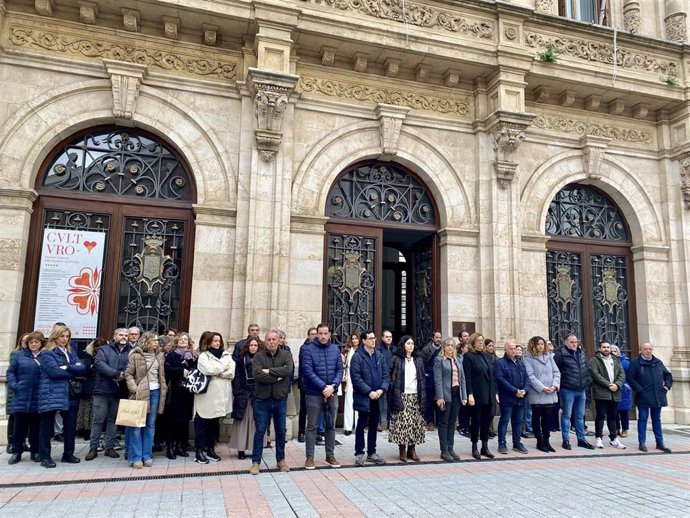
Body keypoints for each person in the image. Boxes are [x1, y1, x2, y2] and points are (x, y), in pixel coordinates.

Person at [37, 324, 86, 467]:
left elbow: (82, 368)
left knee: (70, 426)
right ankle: (45, 457)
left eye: (67, 336)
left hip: (70, 393)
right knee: (46, 427)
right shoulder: (47, 353)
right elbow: (54, 372)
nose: (64, 339)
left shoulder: (71, 352)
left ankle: (68, 454)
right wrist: (73, 371)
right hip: (52, 392)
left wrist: (68, 367)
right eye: (61, 336)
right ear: (55, 337)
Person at [85, 328, 133, 461]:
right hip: (102, 389)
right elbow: (100, 364)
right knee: (98, 419)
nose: (124, 337)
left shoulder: (131, 351)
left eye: (126, 335)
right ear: (114, 336)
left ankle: (109, 447)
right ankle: (93, 448)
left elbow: (131, 366)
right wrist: (116, 374)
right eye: (121, 335)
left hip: (118, 391)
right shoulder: (104, 349)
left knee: (113, 420)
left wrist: (123, 375)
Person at [250, 330, 293, 475]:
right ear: (265, 341)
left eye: (274, 339)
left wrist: (268, 371)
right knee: (260, 431)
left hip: (280, 399)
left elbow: (287, 370)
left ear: (279, 340)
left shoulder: (286, 355)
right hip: (262, 399)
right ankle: (256, 462)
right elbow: (257, 375)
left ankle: (280, 460)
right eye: (269, 339)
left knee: (281, 431)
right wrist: (276, 377)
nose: (272, 342)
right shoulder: (258, 356)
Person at [301, 323, 343, 469]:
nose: (323, 336)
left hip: (332, 392)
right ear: (316, 334)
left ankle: (330, 455)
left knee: (330, 425)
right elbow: (307, 370)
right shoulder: (308, 350)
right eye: (320, 333)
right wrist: (323, 386)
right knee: (312, 426)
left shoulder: (335, 349)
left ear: (330, 334)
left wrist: (333, 386)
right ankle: (310, 457)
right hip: (314, 393)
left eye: (326, 333)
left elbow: (340, 369)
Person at [125, 331, 167, 468]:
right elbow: (129, 374)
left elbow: (161, 375)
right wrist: (134, 389)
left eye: (157, 340)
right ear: (146, 341)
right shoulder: (135, 355)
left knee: (150, 425)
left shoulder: (159, 356)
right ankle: (135, 457)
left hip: (155, 391)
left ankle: (146, 455)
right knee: (137, 425)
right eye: (154, 340)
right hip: (140, 393)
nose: (156, 342)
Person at [194, 332, 235, 463]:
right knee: (202, 423)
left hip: (221, 395)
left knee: (214, 424)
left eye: (219, 340)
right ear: (209, 342)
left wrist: (222, 372)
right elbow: (207, 370)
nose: (217, 343)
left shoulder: (226, 354)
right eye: (215, 341)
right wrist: (222, 367)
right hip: (207, 395)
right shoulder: (204, 356)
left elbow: (232, 371)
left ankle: (211, 449)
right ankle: (199, 451)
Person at [350, 331, 389, 466]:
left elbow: (386, 375)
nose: (373, 340)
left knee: (374, 425)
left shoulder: (379, 355)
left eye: (374, 338)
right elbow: (356, 379)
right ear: (364, 341)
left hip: (378, 397)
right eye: (370, 338)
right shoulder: (357, 357)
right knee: (361, 425)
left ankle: (371, 452)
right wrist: (369, 392)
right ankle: (359, 453)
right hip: (364, 397)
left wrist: (381, 389)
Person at [628, 342, 673, 453]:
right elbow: (630, 377)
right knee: (643, 419)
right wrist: (639, 389)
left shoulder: (657, 362)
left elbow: (668, 375)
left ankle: (660, 443)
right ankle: (642, 443)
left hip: (658, 396)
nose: (648, 351)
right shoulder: (635, 362)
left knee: (656, 419)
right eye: (645, 349)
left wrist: (667, 386)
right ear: (640, 350)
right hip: (643, 396)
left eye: (650, 349)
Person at [7, 331, 44, 464]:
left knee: (35, 427)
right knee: (19, 427)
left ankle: (35, 451)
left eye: (36, 342)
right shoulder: (19, 355)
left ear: (41, 343)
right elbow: (11, 372)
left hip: (37, 397)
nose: (33, 344)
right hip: (22, 396)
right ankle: (16, 451)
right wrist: (14, 386)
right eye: (31, 342)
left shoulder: (44, 357)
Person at [388, 336, 426, 462]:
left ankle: (412, 449)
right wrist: (392, 387)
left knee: (414, 423)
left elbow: (421, 378)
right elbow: (388, 374)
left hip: (415, 395)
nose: (411, 345)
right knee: (402, 424)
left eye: (412, 343)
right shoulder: (397, 359)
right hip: (402, 395)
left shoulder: (418, 360)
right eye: (408, 343)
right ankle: (402, 450)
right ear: (403, 345)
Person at [554, 333, 594, 450]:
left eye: (576, 342)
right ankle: (565, 440)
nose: (574, 344)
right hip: (567, 389)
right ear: (566, 342)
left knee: (580, 416)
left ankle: (581, 439)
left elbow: (587, 369)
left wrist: (587, 383)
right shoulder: (560, 354)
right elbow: (556, 371)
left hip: (581, 390)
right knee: (566, 415)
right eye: (572, 342)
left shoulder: (581, 353)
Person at [163, 332, 197, 459]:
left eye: (185, 339)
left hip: (188, 392)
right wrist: (181, 371)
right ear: (176, 341)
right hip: (175, 391)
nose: (183, 341)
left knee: (184, 421)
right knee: (173, 421)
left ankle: (180, 446)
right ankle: (170, 447)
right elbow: (167, 370)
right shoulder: (172, 355)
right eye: (181, 339)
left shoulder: (193, 356)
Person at [463, 332, 497, 460]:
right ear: (472, 342)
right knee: (476, 421)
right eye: (478, 341)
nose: (481, 343)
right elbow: (467, 377)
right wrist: (469, 394)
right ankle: (474, 447)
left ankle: (485, 446)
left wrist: (495, 393)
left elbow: (492, 376)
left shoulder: (486, 356)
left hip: (488, 394)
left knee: (486, 421)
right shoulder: (469, 356)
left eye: (482, 341)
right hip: (476, 394)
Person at [524, 335, 560, 452]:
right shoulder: (529, 358)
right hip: (538, 393)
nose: (540, 346)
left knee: (547, 418)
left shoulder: (549, 357)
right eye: (538, 344)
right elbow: (530, 376)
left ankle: (547, 440)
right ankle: (539, 441)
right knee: (537, 417)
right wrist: (543, 388)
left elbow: (556, 372)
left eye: (542, 344)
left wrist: (554, 386)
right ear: (533, 345)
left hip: (550, 392)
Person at [434, 337, 467, 462]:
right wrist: (440, 396)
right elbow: (438, 380)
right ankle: (444, 450)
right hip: (445, 395)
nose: (450, 347)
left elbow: (462, 379)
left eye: (452, 346)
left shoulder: (458, 360)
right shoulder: (439, 360)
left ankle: (451, 448)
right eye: (447, 345)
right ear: (444, 347)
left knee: (453, 422)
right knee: (444, 422)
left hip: (456, 394)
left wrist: (463, 396)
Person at [230, 337, 263, 459]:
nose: (253, 347)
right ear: (247, 346)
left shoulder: (262, 359)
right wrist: (238, 391)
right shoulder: (241, 359)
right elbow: (237, 375)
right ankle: (241, 449)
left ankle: (256, 448)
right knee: (242, 422)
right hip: (243, 394)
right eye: (251, 345)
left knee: (257, 422)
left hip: (258, 394)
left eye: (255, 345)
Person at [589, 341, 626, 450]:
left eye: (608, 347)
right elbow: (596, 375)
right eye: (604, 347)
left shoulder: (616, 360)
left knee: (613, 417)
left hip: (615, 392)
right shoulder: (594, 360)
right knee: (600, 415)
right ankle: (598, 438)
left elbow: (622, 374)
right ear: (600, 348)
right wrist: (609, 385)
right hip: (601, 393)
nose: (606, 349)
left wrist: (617, 385)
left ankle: (614, 439)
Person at [494, 341, 529, 455]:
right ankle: (502, 443)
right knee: (504, 421)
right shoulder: (500, 363)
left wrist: (525, 390)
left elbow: (527, 378)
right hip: (507, 398)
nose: (513, 350)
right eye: (511, 348)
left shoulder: (520, 363)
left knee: (518, 421)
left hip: (520, 398)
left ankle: (517, 442)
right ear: (505, 350)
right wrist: (515, 391)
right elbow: (500, 379)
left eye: (515, 348)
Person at [76, 338, 108, 441]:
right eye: (97, 348)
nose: (99, 350)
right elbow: (86, 369)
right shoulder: (89, 356)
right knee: (87, 409)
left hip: (101, 386)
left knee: (96, 411)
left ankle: (95, 432)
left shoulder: (107, 356)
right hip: (90, 386)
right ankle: (86, 431)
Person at [6, 333, 29, 454]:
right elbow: (12, 372)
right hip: (16, 391)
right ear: (20, 342)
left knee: (24, 418)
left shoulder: (32, 356)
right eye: (24, 340)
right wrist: (15, 386)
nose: (26, 342)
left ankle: (22, 442)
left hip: (26, 392)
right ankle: (11, 443)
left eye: (28, 340)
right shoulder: (15, 354)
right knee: (14, 417)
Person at [297, 326, 317, 443]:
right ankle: (301, 432)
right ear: (308, 336)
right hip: (306, 383)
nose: (314, 336)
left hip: (315, 384)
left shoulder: (318, 347)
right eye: (312, 334)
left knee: (314, 409)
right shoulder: (304, 348)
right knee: (304, 409)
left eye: (316, 334)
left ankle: (314, 432)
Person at [420, 330, 443, 430]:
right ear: (433, 338)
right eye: (436, 337)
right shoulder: (426, 349)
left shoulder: (443, 349)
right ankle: (429, 421)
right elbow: (422, 363)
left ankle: (439, 421)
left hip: (440, 378)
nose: (438, 339)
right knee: (429, 400)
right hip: (429, 377)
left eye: (440, 337)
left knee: (440, 398)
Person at [376, 330, 396, 429]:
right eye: (387, 337)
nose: (389, 338)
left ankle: (390, 422)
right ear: (382, 338)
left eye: (390, 337)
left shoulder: (395, 350)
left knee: (391, 402)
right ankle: (378, 422)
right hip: (381, 379)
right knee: (380, 402)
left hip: (392, 379)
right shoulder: (378, 349)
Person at [610, 345, 631, 438]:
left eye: (614, 351)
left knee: (624, 411)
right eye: (611, 351)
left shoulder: (625, 363)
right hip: (612, 389)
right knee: (614, 411)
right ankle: (616, 428)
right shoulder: (608, 362)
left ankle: (625, 429)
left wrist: (626, 385)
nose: (612, 353)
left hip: (623, 390)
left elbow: (630, 376)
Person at [342, 332, 360, 436]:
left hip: (359, 378)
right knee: (348, 401)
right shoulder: (347, 350)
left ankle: (359, 426)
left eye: (356, 338)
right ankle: (348, 427)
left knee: (359, 401)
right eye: (352, 339)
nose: (354, 340)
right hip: (349, 378)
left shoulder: (362, 351)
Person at [456, 330, 471, 437]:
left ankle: (467, 426)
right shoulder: (458, 358)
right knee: (463, 407)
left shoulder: (470, 356)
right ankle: (462, 426)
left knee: (468, 407)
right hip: (461, 384)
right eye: (465, 336)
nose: (467, 337)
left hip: (469, 383)